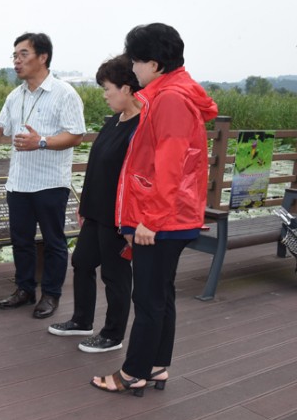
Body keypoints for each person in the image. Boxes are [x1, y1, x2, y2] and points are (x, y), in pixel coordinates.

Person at [92, 23, 218, 395]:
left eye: (136, 60)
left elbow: (170, 167)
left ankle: (133, 372)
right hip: (169, 216)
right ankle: (158, 364)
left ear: (155, 63)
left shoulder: (171, 100)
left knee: (147, 298)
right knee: (161, 294)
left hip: (162, 219)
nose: (132, 68)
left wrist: (149, 220)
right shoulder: (168, 94)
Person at [0, 32, 86, 319]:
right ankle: (25, 289)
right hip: (18, 182)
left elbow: (76, 135)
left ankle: (50, 295)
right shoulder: (15, 96)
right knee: (21, 240)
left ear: (43, 57)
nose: (17, 61)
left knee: (54, 241)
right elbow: (0, 125)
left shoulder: (64, 93)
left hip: (50, 182)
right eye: (15, 55)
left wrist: (41, 141)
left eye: (23, 54)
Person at [48, 55, 140, 352]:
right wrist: (83, 204)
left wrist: (131, 218)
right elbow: (97, 164)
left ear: (126, 88)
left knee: (114, 273)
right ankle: (82, 320)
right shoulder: (114, 121)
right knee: (82, 262)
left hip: (118, 214)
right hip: (95, 208)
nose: (104, 95)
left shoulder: (141, 127)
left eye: (108, 88)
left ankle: (113, 334)